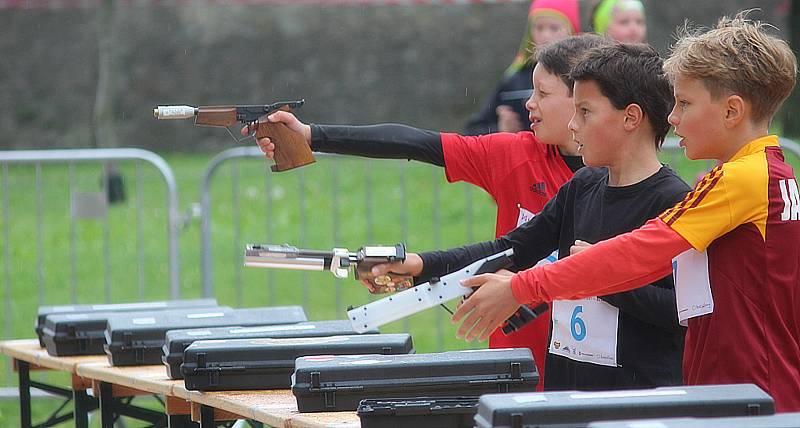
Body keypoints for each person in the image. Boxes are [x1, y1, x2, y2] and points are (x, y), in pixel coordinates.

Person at [453, 14, 800, 411]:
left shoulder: (742, 178)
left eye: (684, 104)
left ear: (732, 111)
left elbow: (637, 253)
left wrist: (520, 287)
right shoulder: (768, 173)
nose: (672, 118)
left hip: (752, 394)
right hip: (750, 389)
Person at [247, 35, 610, 391]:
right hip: (516, 366)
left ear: (582, 99)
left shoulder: (625, 182)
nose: (529, 104)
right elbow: (415, 143)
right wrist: (313, 135)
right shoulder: (515, 153)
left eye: (543, 94)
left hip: (594, 368)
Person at [368, 43, 689, 391]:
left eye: (585, 112)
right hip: (564, 395)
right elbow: (511, 250)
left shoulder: (675, 201)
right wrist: (420, 265)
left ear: (631, 118)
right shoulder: (582, 187)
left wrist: (601, 276)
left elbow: (685, 312)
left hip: (640, 402)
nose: (572, 124)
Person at [464, 0, 580, 135]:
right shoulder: (515, 79)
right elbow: (473, 129)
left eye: (554, 28)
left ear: (572, 31)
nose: (545, 35)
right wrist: (501, 130)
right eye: (539, 27)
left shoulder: (582, 76)